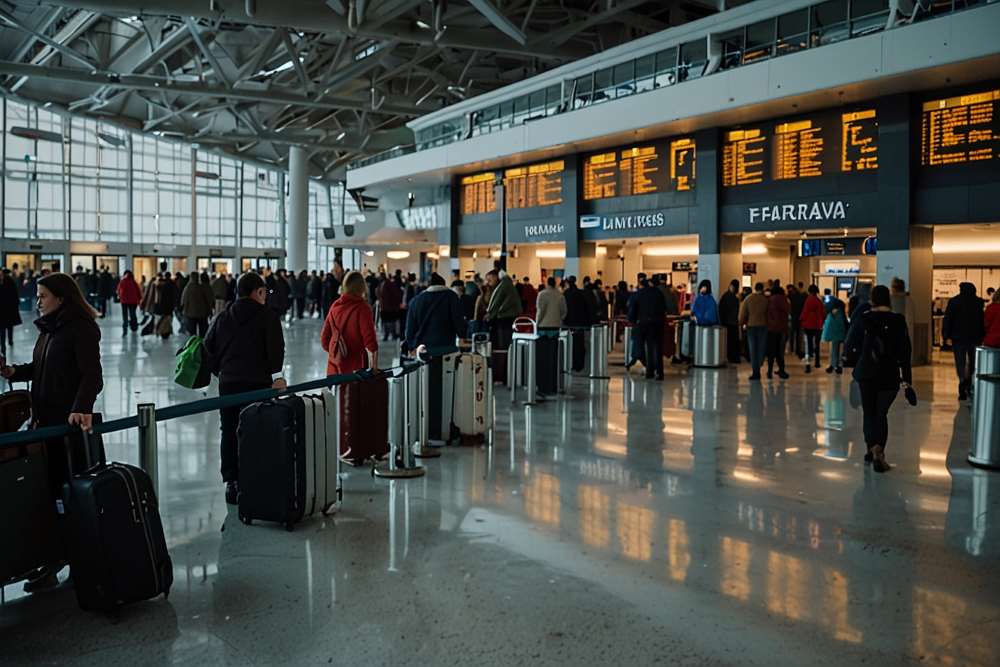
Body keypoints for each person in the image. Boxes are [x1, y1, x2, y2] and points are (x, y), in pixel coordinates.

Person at [1, 272, 103, 592]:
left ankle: (79, 557)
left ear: (61, 298)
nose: (38, 301)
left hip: (67, 429)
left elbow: (92, 376)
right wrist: (14, 371)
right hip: (45, 427)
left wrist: (81, 407)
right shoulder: (49, 330)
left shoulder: (80, 329)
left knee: (69, 494)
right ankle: (56, 557)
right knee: (51, 495)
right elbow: (42, 368)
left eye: (43, 296)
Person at [203, 272, 286, 505]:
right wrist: (276, 378)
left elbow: (208, 352)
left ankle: (232, 482)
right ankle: (255, 478)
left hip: (229, 385)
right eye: (264, 292)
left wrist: (223, 373)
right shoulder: (267, 317)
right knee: (257, 430)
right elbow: (276, 352)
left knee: (228, 430)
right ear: (257, 292)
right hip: (258, 385)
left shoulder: (222, 318)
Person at [844, 285, 913, 473]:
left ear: (872, 299)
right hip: (889, 374)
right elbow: (905, 352)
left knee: (869, 412)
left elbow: (850, 346)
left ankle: (870, 448)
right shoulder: (898, 321)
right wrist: (907, 381)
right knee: (881, 413)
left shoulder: (863, 319)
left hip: (866, 373)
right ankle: (878, 450)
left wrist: (856, 361)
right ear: (888, 299)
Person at [321, 271, 377, 375]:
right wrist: (374, 368)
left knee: (336, 391)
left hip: (334, 368)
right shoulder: (363, 308)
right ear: (362, 287)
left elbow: (324, 339)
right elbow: (370, 342)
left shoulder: (335, 306)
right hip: (356, 369)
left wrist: (336, 352)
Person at [942, 281, 985, 401]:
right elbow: (981, 321)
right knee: (973, 362)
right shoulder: (978, 302)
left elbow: (948, 319)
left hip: (958, 338)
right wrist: (983, 336)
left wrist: (946, 336)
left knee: (960, 362)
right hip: (974, 338)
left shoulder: (954, 302)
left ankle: (962, 383)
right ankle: (969, 384)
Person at [404, 272, 466, 355]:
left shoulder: (416, 300)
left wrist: (411, 346)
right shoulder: (452, 297)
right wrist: (462, 334)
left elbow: (409, 329)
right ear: (444, 284)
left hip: (422, 349)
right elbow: (459, 321)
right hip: (447, 347)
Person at [628, 276, 667, 380]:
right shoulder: (659, 293)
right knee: (657, 348)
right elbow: (664, 308)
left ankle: (649, 371)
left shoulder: (639, 294)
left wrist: (633, 320)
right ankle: (659, 372)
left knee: (647, 348)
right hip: (657, 324)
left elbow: (633, 308)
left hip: (644, 323)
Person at [484, 270, 522, 352]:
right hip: (508, 316)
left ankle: (504, 360)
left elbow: (496, 302)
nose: (488, 282)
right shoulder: (506, 284)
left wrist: (490, 315)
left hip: (505, 317)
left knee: (503, 343)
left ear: (495, 277)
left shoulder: (503, 285)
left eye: (490, 280)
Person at [739, 282, 769, 380]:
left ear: (755, 288)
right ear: (762, 289)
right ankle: (759, 365)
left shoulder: (748, 299)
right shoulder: (766, 300)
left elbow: (742, 314)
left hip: (751, 327)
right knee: (761, 348)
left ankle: (755, 371)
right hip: (763, 326)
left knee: (753, 349)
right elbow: (769, 314)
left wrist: (742, 323)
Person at [563, 276, 591, 372]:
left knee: (571, 344)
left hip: (569, 323)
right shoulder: (581, 293)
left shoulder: (566, 294)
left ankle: (571, 363)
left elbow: (564, 309)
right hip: (580, 323)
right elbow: (586, 308)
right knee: (579, 344)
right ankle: (579, 364)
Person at [765, 284, 790, 379]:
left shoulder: (770, 300)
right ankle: (782, 370)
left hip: (771, 329)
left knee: (771, 351)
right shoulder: (785, 300)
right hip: (782, 329)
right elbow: (788, 312)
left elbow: (767, 313)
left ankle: (769, 372)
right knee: (780, 352)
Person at [822, 289, 848, 374]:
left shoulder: (833, 314)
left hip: (835, 335)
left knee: (834, 350)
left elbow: (829, 326)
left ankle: (834, 365)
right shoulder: (839, 313)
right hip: (838, 334)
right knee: (836, 349)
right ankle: (836, 365)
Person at [800, 284, 825, 373]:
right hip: (818, 325)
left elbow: (805, 312)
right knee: (817, 344)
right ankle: (817, 362)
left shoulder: (808, 300)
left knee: (808, 344)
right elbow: (823, 313)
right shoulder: (819, 301)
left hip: (808, 325)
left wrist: (801, 319)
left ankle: (808, 364)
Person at [718, 279, 741, 364]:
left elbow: (721, 309)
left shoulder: (726, 296)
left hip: (727, 322)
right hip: (731, 322)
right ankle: (733, 357)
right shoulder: (733, 298)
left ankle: (731, 357)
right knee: (733, 341)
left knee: (729, 342)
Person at [0, 269, 22, 357]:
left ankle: (10, 340)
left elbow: (14, 294)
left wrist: (15, 305)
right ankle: (3, 348)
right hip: (1, 310)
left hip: (8, 309)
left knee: (9, 326)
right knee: (2, 329)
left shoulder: (9, 281)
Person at [890, 277, 916, 348]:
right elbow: (910, 320)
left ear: (895, 288)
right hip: (904, 333)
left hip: (893, 333)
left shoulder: (889, 300)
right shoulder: (909, 300)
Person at [377, 273, 403, 341]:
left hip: (387, 307)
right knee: (389, 321)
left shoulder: (387, 284)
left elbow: (388, 295)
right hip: (387, 306)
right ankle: (390, 334)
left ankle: (388, 334)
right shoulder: (385, 284)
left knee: (388, 321)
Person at [116, 269, 142, 335]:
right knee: (132, 314)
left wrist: (120, 296)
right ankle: (134, 327)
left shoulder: (122, 281)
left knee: (125, 315)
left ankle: (125, 328)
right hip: (133, 301)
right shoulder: (134, 282)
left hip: (124, 301)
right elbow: (138, 291)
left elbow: (118, 290)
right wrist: (139, 299)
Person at [787, 283, 806, 359]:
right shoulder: (801, 297)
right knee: (799, 334)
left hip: (793, 317)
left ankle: (792, 348)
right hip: (800, 318)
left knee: (792, 333)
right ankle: (798, 349)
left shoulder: (791, 297)